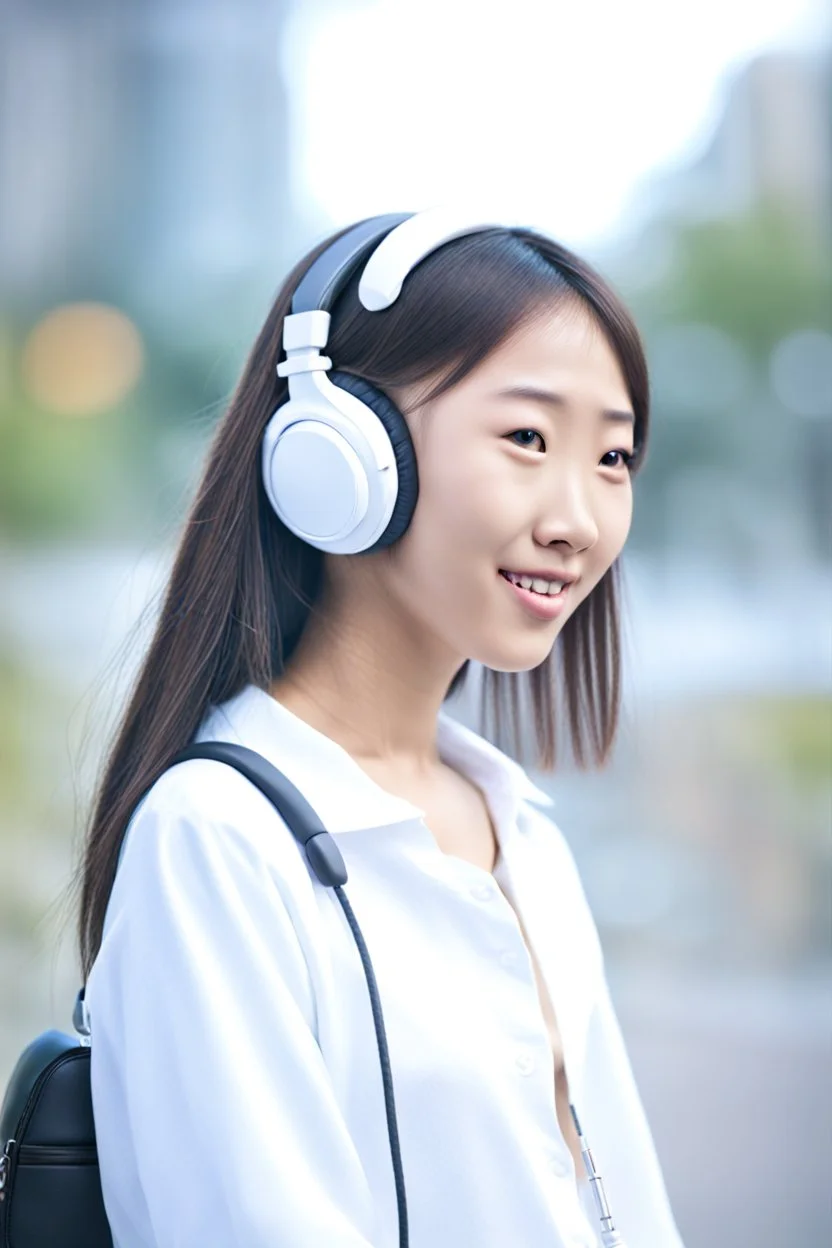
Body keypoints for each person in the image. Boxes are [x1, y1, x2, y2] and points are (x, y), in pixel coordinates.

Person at [78, 209, 686, 1247]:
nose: (578, 519)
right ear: (341, 453)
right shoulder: (215, 844)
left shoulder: (518, 831)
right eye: (527, 439)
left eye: (613, 460)